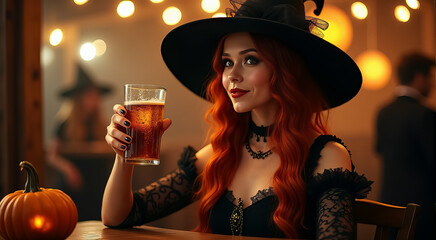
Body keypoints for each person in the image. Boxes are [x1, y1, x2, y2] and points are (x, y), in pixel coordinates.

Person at [102, 0, 373, 238]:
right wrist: (122, 156)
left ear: (286, 71)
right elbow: (120, 216)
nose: (232, 75)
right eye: (228, 62)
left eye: (251, 60)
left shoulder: (327, 157)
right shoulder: (219, 154)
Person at [376, 52, 435, 240]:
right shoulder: (425, 114)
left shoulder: (383, 112)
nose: (432, 84)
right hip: (420, 209)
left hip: (387, 205)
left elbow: (379, 150)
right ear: (419, 77)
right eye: (431, 77)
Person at [47, 65, 113, 221]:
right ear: (79, 98)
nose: (95, 100)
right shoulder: (64, 125)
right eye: (90, 95)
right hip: (76, 182)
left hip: (98, 182)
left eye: (96, 96)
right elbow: (52, 155)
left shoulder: (101, 125)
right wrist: (68, 169)